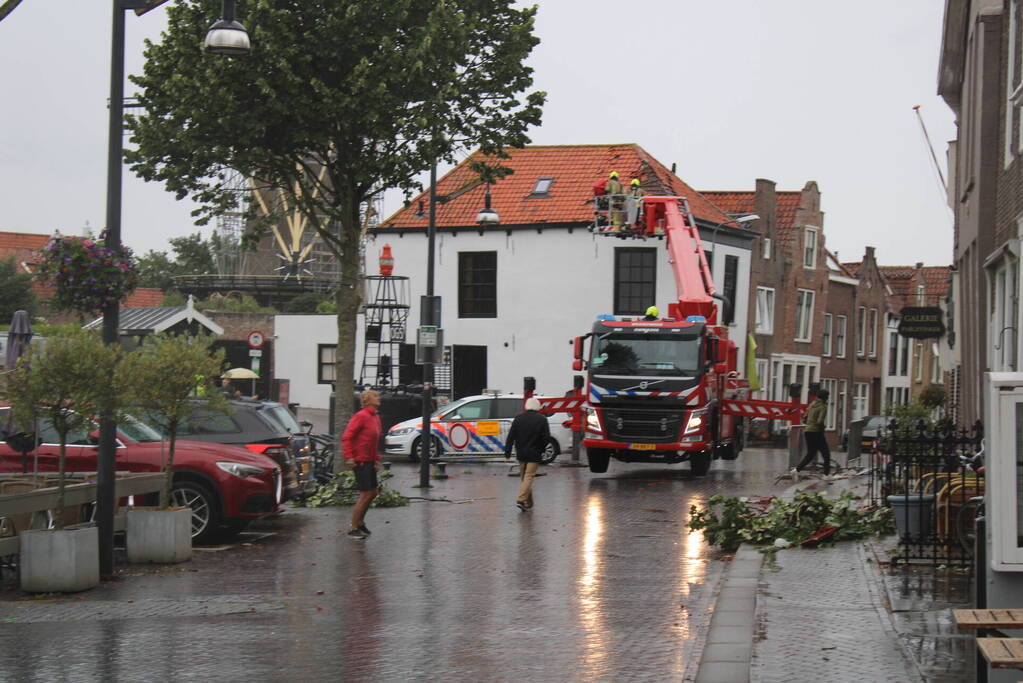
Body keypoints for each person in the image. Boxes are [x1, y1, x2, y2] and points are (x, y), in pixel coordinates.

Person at [343, 389, 383, 539]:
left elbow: (373, 441)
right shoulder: (361, 416)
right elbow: (347, 437)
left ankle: (360, 522)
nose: (379, 398)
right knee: (366, 494)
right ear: (367, 400)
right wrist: (349, 457)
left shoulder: (375, 417)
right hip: (360, 460)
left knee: (373, 493)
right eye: (375, 396)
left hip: (369, 460)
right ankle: (353, 527)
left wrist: (376, 459)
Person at [504, 397, 550, 511]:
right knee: (529, 477)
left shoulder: (518, 418)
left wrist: (507, 452)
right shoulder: (542, 419)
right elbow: (546, 438)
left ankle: (529, 503)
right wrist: (542, 448)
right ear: (537, 407)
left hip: (521, 453)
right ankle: (520, 499)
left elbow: (511, 437)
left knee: (524, 478)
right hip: (535, 453)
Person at [794, 390, 831, 476]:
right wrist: (823, 428)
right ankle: (826, 475)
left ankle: (796, 470)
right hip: (817, 432)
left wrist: (810, 424)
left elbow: (804, 418)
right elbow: (819, 421)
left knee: (810, 454)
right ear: (825, 397)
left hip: (808, 431)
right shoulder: (823, 406)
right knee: (826, 454)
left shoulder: (812, 404)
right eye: (827, 396)